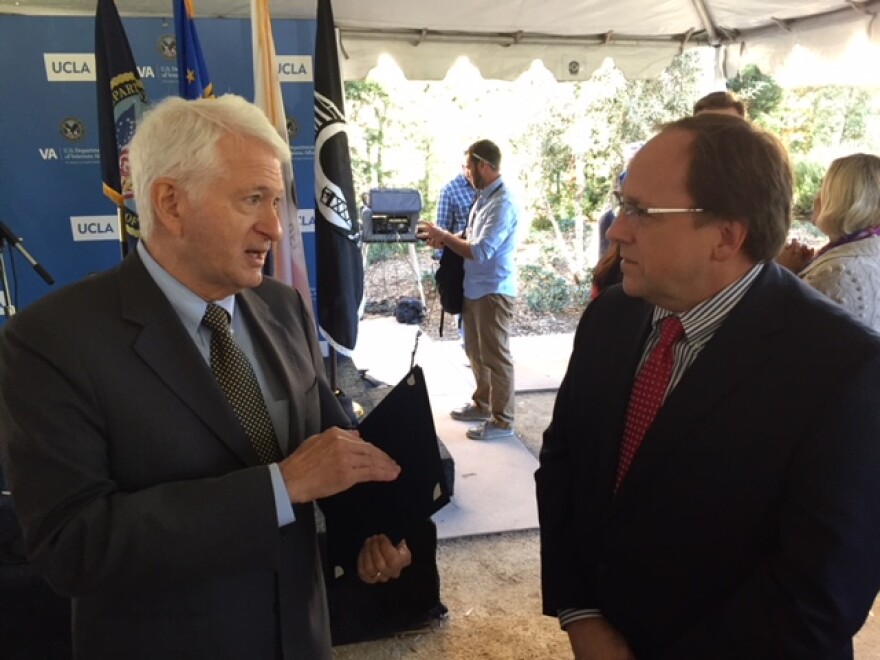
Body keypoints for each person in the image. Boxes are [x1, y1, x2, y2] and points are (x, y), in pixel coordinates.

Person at [0, 94, 412, 660]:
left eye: (276, 201)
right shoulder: (54, 339)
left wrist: (372, 530)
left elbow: (331, 448)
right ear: (171, 203)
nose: (274, 227)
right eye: (252, 199)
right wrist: (278, 488)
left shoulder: (283, 306)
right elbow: (72, 545)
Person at [536, 113, 880, 659]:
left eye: (641, 212)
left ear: (726, 236)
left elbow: (818, 596)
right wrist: (580, 613)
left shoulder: (846, 368)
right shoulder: (612, 317)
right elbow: (564, 462)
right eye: (622, 204)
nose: (617, 230)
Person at [418, 140, 520, 440]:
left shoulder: (503, 203)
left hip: (494, 290)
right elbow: (471, 235)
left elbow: (480, 250)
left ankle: (503, 422)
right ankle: (482, 404)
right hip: (474, 287)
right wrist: (444, 239)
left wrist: (445, 235)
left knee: (496, 357)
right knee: (475, 352)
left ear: (483, 165)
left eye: (468, 166)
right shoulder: (484, 197)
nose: (466, 172)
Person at [778, 153, 880, 333]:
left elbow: (777, 330)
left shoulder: (836, 273)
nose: (818, 196)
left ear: (836, 199)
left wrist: (782, 272)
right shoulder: (869, 251)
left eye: (824, 187)